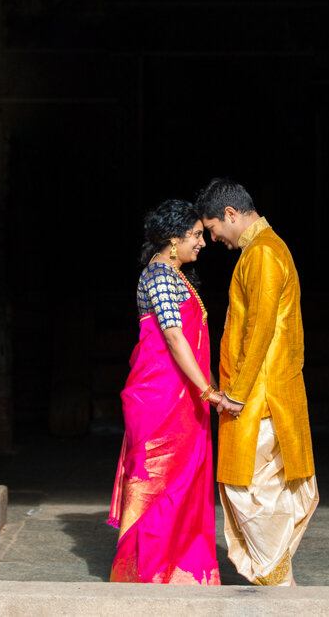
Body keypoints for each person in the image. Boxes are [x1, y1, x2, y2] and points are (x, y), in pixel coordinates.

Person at [195, 178, 318, 586]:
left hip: (259, 397)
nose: (213, 239)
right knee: (260, 491)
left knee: (246, 489)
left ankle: (276, 578)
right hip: (261, 392)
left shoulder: (263, 253)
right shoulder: (262, 250)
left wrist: (235, 394)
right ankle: (276, 576)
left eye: (213, 229)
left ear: (231, 214)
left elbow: (260, 331)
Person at [108, 199, 222, 584]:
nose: (202, 242)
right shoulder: (159, 276)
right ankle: (148, 574)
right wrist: (208, 391)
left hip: (183, 394)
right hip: (160, 399)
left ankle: (177, 570)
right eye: (195, 235)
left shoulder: (177, 276)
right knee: (157, 483)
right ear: (173, 240)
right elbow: (173, 336)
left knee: (186, 483)